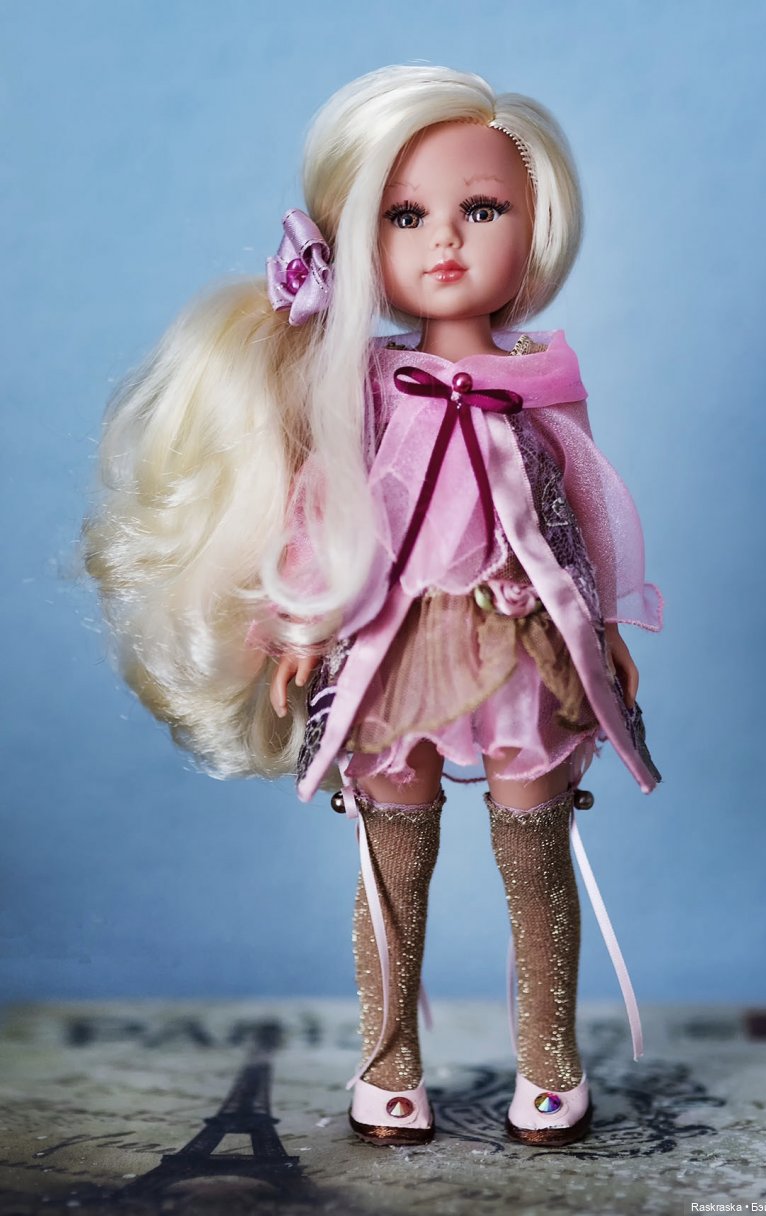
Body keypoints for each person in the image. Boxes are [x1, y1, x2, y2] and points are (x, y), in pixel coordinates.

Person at [83, 65, 662, 1148]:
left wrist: (609, 624)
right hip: (394, 647)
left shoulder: (541, 377)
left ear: (534, 224)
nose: (444, 240)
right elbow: (325, 506)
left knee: (535, 849)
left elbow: (586, 500)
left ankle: (551, 1059)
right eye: (405, 216)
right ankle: (388, 1063)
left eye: (480, 209)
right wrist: (299, 625)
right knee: (392, 857)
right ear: (359, 236)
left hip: (523, 639)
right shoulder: (365, 384)